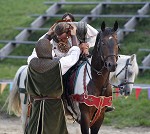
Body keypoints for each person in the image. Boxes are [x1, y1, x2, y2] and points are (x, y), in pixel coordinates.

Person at [25, 38, 81, 134]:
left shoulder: (31, 62)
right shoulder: (58, 64)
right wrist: (73, 36)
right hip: (54, 107)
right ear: (50, 50)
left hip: (36, 106)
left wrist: (48, 35)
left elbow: (34, 52)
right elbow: (74, 57)